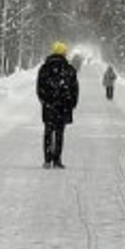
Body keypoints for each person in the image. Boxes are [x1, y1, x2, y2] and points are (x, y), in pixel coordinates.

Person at [36, 41, 79, 169]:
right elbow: (74, 89)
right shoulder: (69, 69)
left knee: (48, 132)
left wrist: (45, 101)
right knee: (60, 133)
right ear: (65, 53)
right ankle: (57, 159)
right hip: (63, 107)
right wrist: (71, 103)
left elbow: (39, 88)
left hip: (49, 106)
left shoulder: (44, 68)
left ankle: (47, 159)